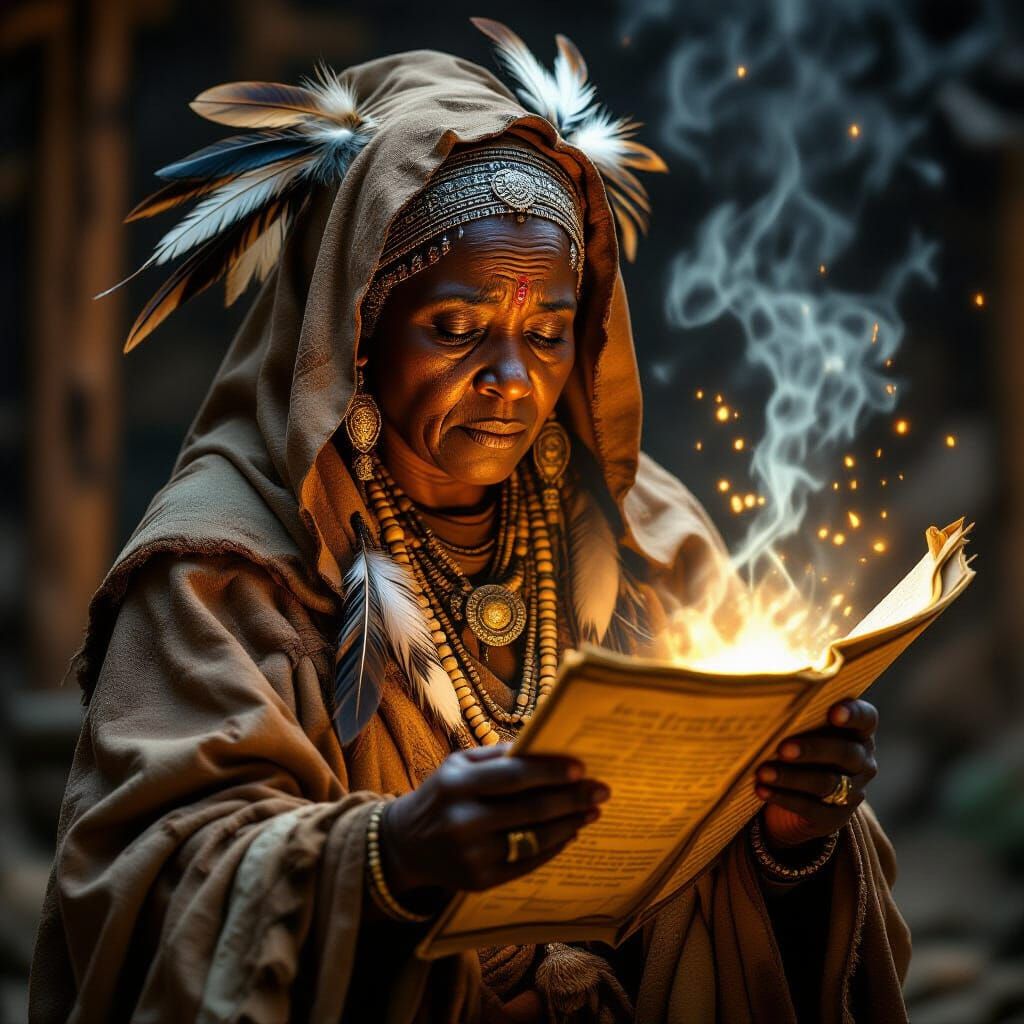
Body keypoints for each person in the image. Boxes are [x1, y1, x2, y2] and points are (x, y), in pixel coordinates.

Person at [29, 21, 911, 1024]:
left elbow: (752, 883)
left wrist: (791, 837)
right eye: (455, 329)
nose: (510, 380)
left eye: (546, 333)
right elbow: (156, 894)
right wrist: (387, 857)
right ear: (360, 328)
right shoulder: (225, 571)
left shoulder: (647, 537)